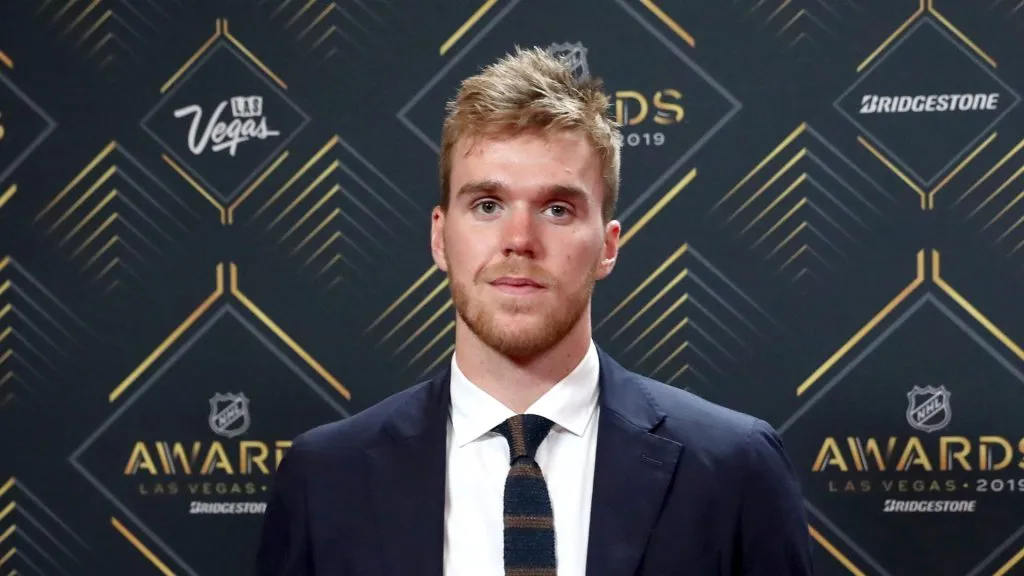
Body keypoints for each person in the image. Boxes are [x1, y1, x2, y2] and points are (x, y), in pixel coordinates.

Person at [254, 45, 815, 576]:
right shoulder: (324, 478)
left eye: (557, 209)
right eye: (487, 205)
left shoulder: (733, 466)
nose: (519, 239)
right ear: (440, 237)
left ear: (608, 246)